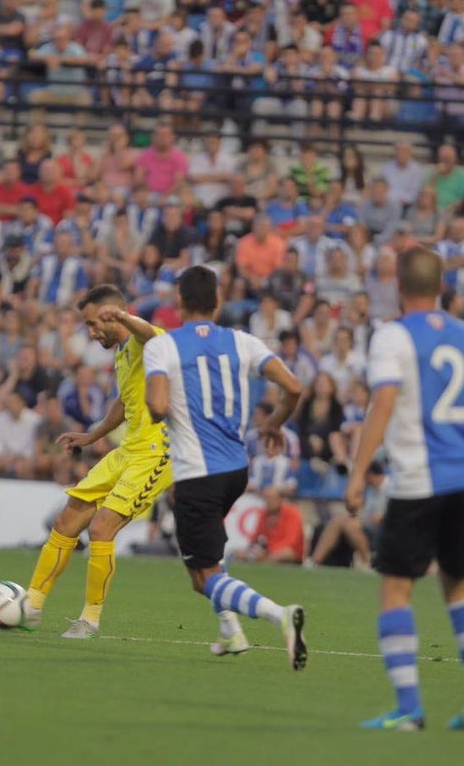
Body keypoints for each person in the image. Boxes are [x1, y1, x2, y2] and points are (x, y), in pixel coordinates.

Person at [345, 246, 464, 731]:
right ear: (442, 287)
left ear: (399, 288)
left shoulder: (392, 336)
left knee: (397, 589)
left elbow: (383, 402)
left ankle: (408, 708)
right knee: (459, 585)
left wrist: (358, 474)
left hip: (418, 479)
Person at [143, 265, 307, 669]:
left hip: (197, 473)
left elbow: (158, 405)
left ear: (179, 302)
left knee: (204, 578)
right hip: (236, 470)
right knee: (207, 560)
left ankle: (279, 615)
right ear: (218, 302)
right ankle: (231, 632)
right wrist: (273, 424)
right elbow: (295, 387)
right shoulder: (243, 342)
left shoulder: (163, 346)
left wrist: (162, 406)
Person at [23, 285, 173, 638]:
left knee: (102, 528)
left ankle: (89, 620)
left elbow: (153, 335)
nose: (91, 334)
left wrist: (124, 317)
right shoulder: (123, 354)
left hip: (157, 452)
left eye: (93, 324)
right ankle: (30, 606)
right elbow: (124, 402)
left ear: (113, 315)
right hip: (128, 449)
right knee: (68, 517)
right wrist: (92, 435)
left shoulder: (142, 341)